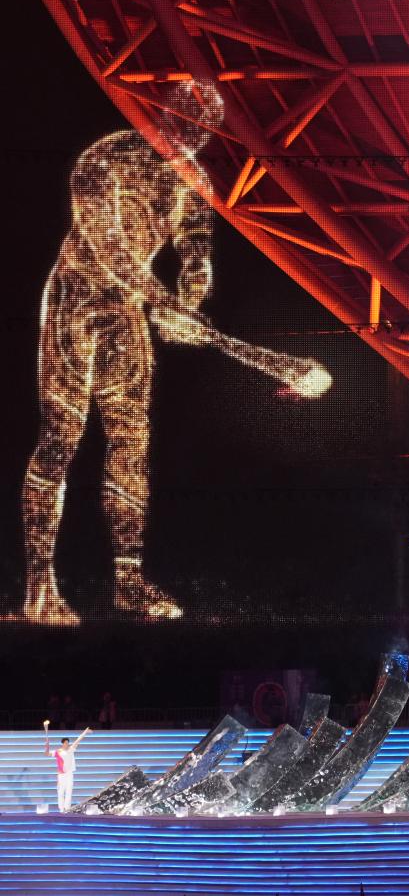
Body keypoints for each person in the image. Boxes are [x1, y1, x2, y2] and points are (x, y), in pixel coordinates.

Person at [21, 81, 224, 625]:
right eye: (185, 119)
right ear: (165, 113)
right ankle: (40, 587)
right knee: (62, 434)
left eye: (203, 129)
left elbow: (197, 255)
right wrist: (165, 302)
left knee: (132, 444)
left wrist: (188, 304)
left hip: (126, 313)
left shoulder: (194, 183)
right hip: (75, 300)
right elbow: (107, 246)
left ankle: (129, 582)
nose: (191, 134)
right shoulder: (105, 158)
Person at [44, 720, 92, 812]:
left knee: (69, 791)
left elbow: (78, 740)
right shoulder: (58, 751)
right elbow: (46, 754)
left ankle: (67, 808)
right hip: (61, 775)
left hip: (69, 774)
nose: (67, 744)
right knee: (61, 792)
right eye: (65, 743)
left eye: (68, 743)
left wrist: (85, 732)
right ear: (62, 743)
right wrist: (46, 746)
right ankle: (61, 808)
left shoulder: (71, 749)